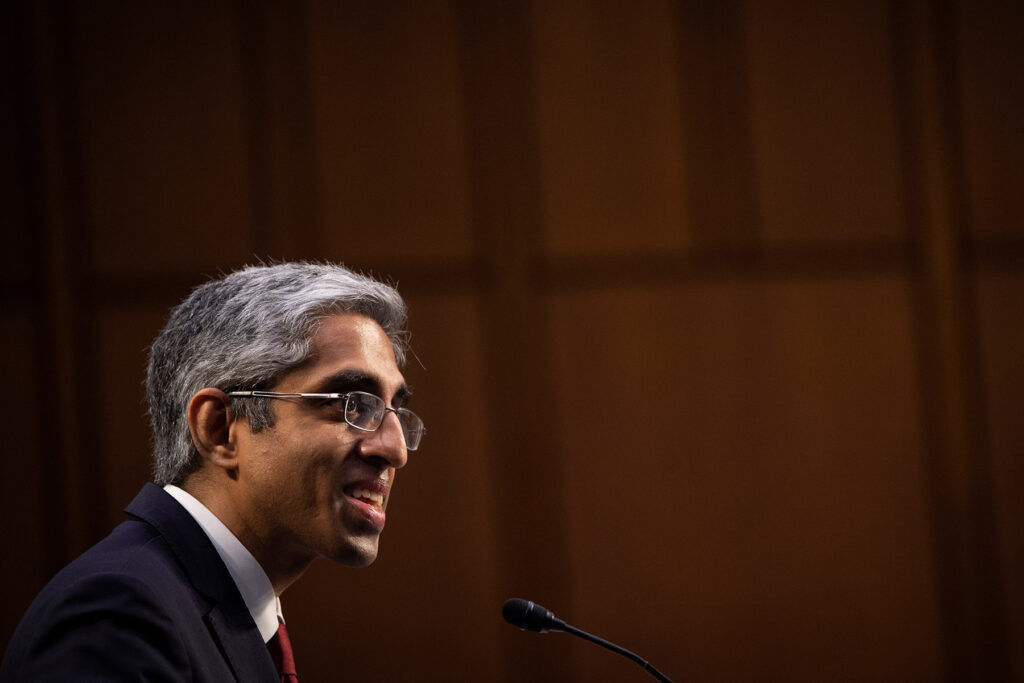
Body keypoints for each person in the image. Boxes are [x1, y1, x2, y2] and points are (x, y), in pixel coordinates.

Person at [0, 262, 424, 682]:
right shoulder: (119, 614)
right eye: (353, 404)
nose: (394, 448)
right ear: (219, 428)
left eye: (395, 410)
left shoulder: (219, 609)